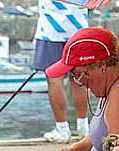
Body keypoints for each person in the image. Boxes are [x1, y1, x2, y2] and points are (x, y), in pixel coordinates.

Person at [33, 0, 89, 142]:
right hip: (78, 29)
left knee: (54, 78)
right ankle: (84, 128)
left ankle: (62, 129)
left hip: (51, 30)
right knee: (79, 79)